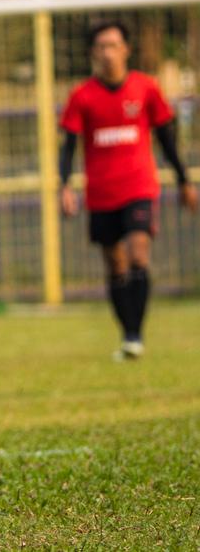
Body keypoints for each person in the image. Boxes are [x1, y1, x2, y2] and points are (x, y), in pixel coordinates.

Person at [59, 20, 197, 361]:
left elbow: (166, 138)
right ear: (93, 53)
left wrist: (184, 180)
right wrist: (65, 186)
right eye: (101, 46)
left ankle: (135, 335)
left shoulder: (146, 88)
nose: (108, 52)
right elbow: (68, 146)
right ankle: (128, 333)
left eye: (113, 45)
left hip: (139, 187)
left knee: (138, 253)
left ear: (126, 50)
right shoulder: (82, 96)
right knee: (116, 265)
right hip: (101, 193)